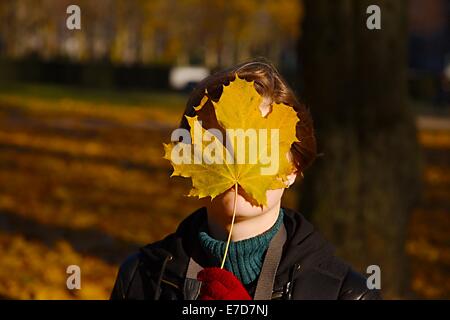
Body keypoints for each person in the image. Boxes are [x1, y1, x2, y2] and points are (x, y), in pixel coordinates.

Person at [110, 59, 381, 300]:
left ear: (293, 169)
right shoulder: (140, 279)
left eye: (261, 146)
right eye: (219, 142)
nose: (239, 156)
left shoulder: (348, 294)